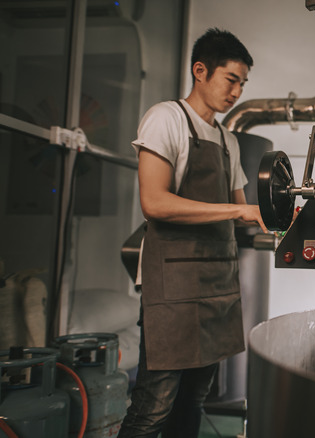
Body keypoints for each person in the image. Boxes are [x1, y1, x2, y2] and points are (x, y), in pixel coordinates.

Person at [118, 28, 266, 438]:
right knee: (154, 406)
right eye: (230, 79)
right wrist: (239, 208)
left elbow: (240, 213)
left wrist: (276, 212)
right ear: (200, 71)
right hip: (174, 287)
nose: (236, 91)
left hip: (217, 286)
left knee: (193, 403)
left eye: (242, 84)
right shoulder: (166, 119)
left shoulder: (226, 140)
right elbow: (155, 203)